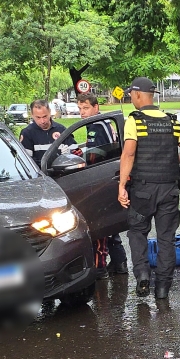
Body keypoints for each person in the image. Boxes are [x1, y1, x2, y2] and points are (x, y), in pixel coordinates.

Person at [118, 77, 180, 301]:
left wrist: (122, 185)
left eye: (131, 94)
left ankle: (142, 274)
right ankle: (162, 289)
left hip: (143, 191)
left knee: (137, 232)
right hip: (169, 191)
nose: (130, 98)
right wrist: (172, 160)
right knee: (166, 239)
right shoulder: (171, 121)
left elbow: (129, 153)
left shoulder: (135, 120)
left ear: (139, 94)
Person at [76, 93, 128, 279]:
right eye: (80, 108)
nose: (82, 112)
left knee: (99, 226)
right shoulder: (102, 123)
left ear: (96, 107)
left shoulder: (97, 126)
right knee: (110, 225)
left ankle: (99, 268)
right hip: (108, 175)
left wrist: (83, 160)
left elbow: (98, 154)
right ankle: (120, 263)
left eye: (86, 108)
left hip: (101, 178)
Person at [18, 99, 67, 165]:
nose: (42, 121)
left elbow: (77, 152)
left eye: (45, 116)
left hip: (62, 173)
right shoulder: (27, 133)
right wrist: (50, 162)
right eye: (38, 117)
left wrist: (70, 153)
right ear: (32, 115)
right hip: (40, 173)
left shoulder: (61, 130)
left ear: (49, 112)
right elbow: (26, 161)